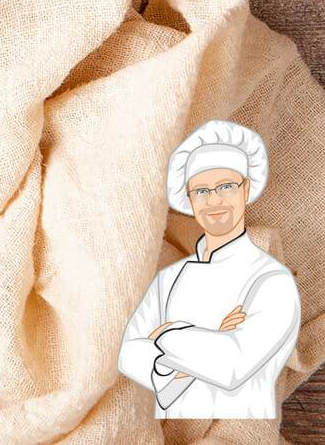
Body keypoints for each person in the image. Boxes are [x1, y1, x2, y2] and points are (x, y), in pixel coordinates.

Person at [118, 120, 300, 419]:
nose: (213, 200)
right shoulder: (170, 278)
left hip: (242, 423)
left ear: (246, 189)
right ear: (189, 199)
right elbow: (129, 354)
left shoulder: (271, 279)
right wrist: (211, 334)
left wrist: (166, 332)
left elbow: (232, 365)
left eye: (226, 187)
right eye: (201, 190)